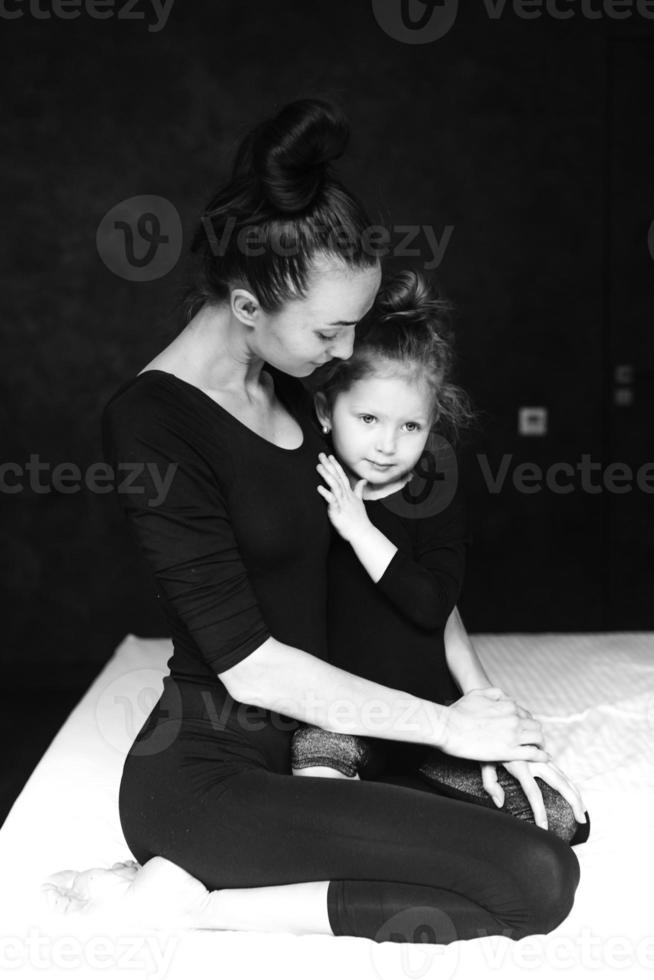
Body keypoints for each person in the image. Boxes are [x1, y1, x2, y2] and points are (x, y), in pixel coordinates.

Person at [42, 99, 581, 944]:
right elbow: (252, 669)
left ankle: (192, 894)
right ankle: (189, 901)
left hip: (333, 744)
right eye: (332, 329)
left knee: (549, 832)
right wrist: (446, 728)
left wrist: (492, 716)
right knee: (536, 884)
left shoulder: (300, 381)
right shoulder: (154, 421)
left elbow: (410, 574)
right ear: (249, 305)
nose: (346, 351)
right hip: (213, 776)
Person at [289, 270, 589, 845]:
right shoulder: (305, 488)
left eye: (410, 426)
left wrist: (359, 529)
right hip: (348, 719)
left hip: (435, 725)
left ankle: (404, 805)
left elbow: (432, 607)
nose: (386, 444)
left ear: (432, 426)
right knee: (318, 788)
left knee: (563, 823)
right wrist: (341, 518)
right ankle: (393, 819)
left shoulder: (433, 497)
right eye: (368, 419)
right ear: (327, 412)